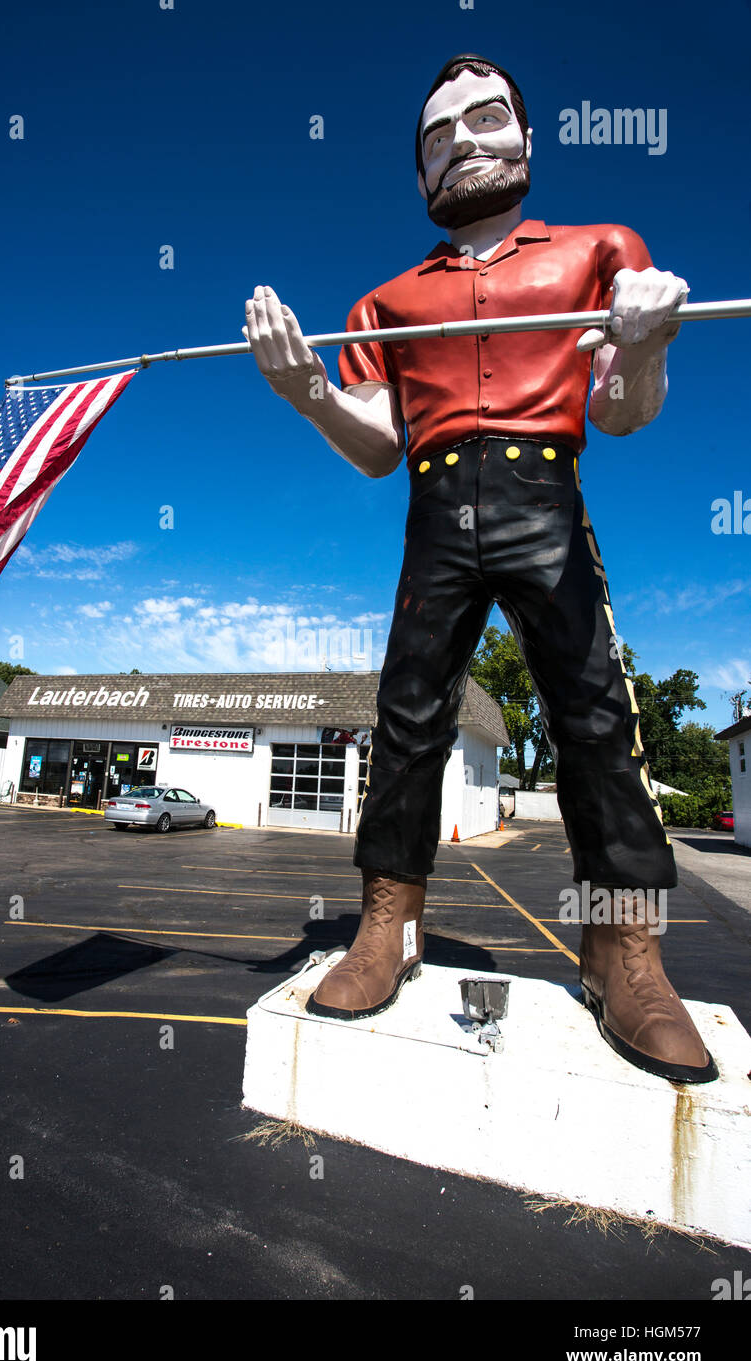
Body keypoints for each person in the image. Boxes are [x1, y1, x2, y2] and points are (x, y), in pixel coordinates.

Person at [244, 53, 716, 1084]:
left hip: (540, 493)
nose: (460, 139)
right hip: (433, 501)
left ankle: (624, 951)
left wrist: (641, 347)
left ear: (526, 138)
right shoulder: (386, 299)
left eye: (484, 117)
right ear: (417, 174)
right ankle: (387, 927)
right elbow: (375, 441)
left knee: (592, 712)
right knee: (407, 713)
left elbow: (622, 411)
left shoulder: (600, 250)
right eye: (435, 133)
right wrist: (305, 392)